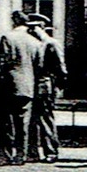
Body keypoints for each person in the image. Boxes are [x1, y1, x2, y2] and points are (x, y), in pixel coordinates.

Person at [0, 10, 40, 165]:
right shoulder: (35, 42)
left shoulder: (8, 38)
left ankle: (5, 154)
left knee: (5, 122)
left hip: (9, 86)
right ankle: (21, 154)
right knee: (23, 123)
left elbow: (1, 62)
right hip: (28, 87)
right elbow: (39, 66)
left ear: (15, 21)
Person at [25, 14, 64, 163]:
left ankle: (51, 151)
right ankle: (32, 151)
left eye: (33, 28)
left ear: (42, 27)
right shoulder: (31, 44)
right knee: (31, 119)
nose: (31, 31)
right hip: (30, 84)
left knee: (45, 118)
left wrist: (57, 88)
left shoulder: (51, 44)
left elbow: (61, 68)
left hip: (45, 84)